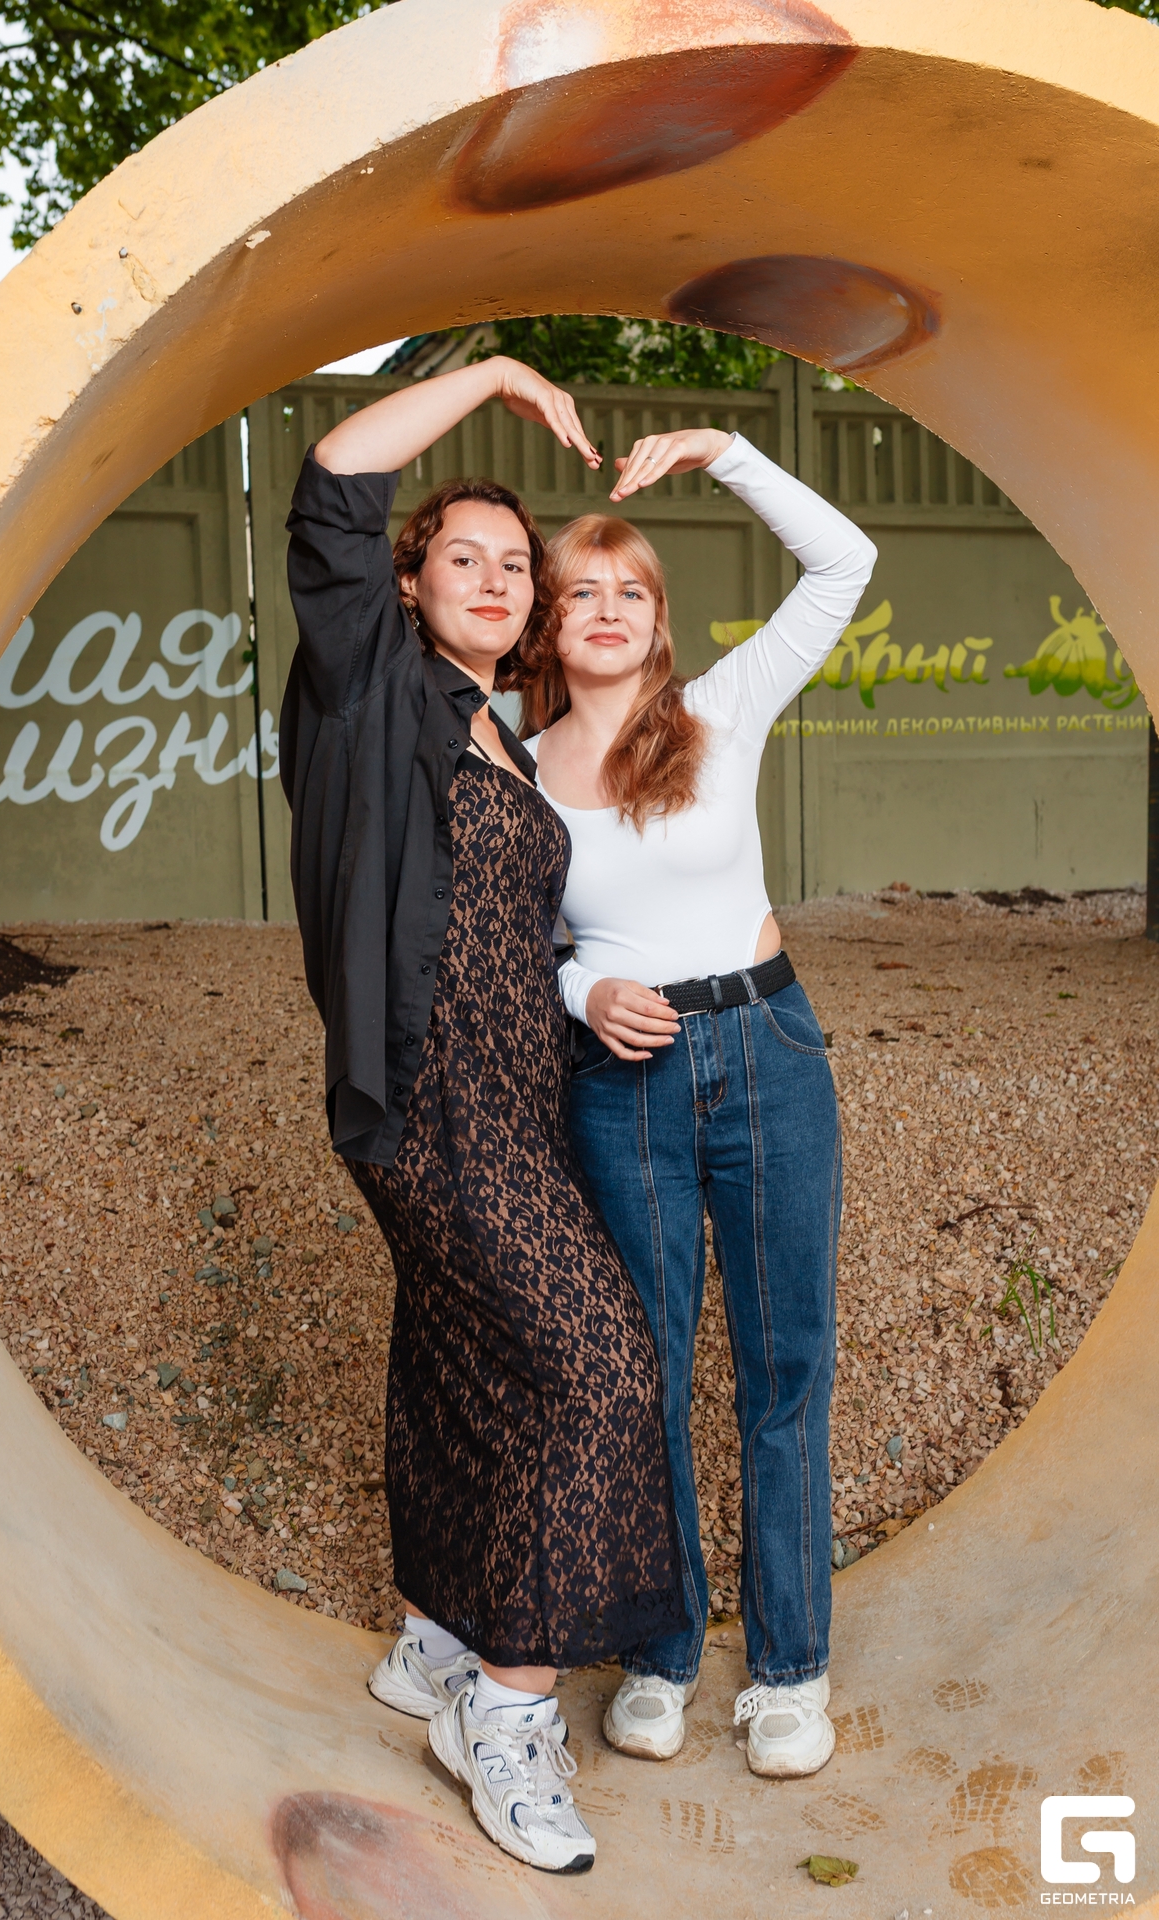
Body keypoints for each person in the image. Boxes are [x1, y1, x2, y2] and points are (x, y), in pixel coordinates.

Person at [278, 358, 688, 1875]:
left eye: (520, 564)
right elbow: (334, 479)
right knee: (598, 1365)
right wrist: (501, 373)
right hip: (434, 1102)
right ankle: (504, 1719)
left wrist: (591, 994)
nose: (502, 580)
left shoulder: (503, 728)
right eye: (468, 556)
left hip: (521, 1103)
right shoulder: (369, 683)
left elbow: (527, 932)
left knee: (468, 1367)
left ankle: (436, 1639)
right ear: (407, 582)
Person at [524, 422, 876, 1779]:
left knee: (786, 1369)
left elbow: (844, 562)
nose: (608, 609)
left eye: (633, 589)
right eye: (581, 590)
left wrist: (725, 450)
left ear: (660, 620)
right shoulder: (515, 766)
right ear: (549, 625)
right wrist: (582, 994)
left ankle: (789, 1671)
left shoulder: (723, 712)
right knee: (645, 1373)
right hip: (628, 1083)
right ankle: (663, 1652)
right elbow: (510, 944)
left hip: (767, 1051)